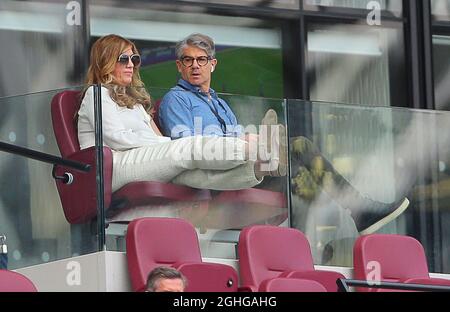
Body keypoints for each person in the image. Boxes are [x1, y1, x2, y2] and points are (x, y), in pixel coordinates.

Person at [158, 33, 409, 235]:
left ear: (213, 64)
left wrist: (246, 144)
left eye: (201, 60)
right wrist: (240, 144)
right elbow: (185, 147)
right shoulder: (175, 100)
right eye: (188, 60)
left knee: (297, 170)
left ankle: (311, 236)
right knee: (298, 147)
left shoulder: (221, 105)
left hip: (240, 166)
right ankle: (356, 211)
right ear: (179, 66)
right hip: (214, 176)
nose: (195, 66)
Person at [77, 34, 285, 198]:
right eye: (124, 59)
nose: (131, 64)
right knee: (188, 146)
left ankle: (263, 166)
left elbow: (157, 137)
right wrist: (166, 145)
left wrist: (164, 145)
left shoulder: (134, 102)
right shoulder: (96, 93)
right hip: (114, 167)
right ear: (106, 61)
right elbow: (117, 138)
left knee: (194, 175)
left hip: (144, 161)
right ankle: (256, 147)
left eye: (134, 58)